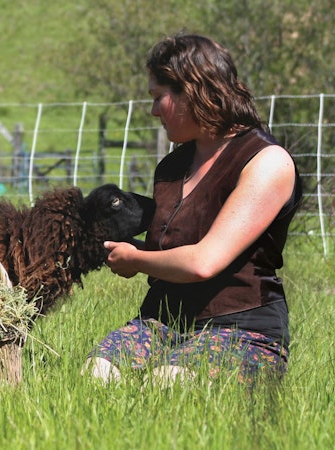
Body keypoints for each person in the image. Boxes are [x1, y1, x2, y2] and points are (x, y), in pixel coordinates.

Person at [82, 33, 302, 386]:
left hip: (242, 327)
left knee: (168, 382)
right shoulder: (170, 167)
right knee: (96, 374)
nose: (153, 110)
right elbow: (169, 251)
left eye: (158, 97)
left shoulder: (266, 162)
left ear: (193, 90)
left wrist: (135, 260)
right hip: (163, 321)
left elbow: (203, 262)